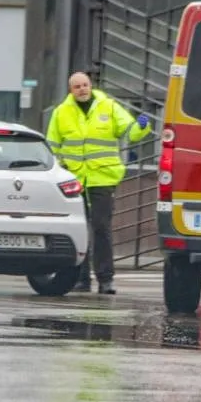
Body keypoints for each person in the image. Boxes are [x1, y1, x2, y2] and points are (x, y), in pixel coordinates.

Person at [46, 72, 152, 294]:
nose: (82, 89)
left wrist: (141, 125)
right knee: (79, 229)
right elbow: (52, 146)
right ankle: (81, 279)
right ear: (71, 90)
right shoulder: (61, 113)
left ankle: (106, 279)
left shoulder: (109, 107)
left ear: (90, 85)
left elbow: (130, 133)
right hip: (73, 179)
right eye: (77, 86)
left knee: (101, 226)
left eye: (85, 85)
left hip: (102, 177)